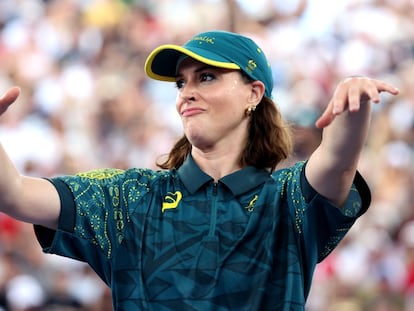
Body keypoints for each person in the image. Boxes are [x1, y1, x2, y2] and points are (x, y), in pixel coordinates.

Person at [0, 30, 399, 310]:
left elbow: (337, 163)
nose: (186, 92)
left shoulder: (285, 198)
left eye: (207, 77)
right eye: (180, 83)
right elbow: (15, 193)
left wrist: (354, 101)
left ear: (254, 93)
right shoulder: (129, 197)